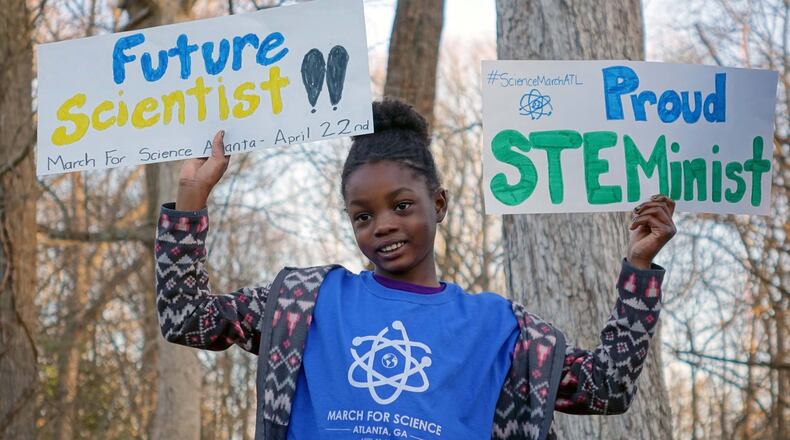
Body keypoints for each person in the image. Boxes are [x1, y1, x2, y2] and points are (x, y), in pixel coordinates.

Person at [155, 99, 676, 440]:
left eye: (401, 206)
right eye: (363, 215)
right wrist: (190, 197)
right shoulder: (304, 303)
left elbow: (605, 387)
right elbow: (186, 318)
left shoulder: (497, 328)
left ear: (439, 203)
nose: (382, 225)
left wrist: (639, 269)